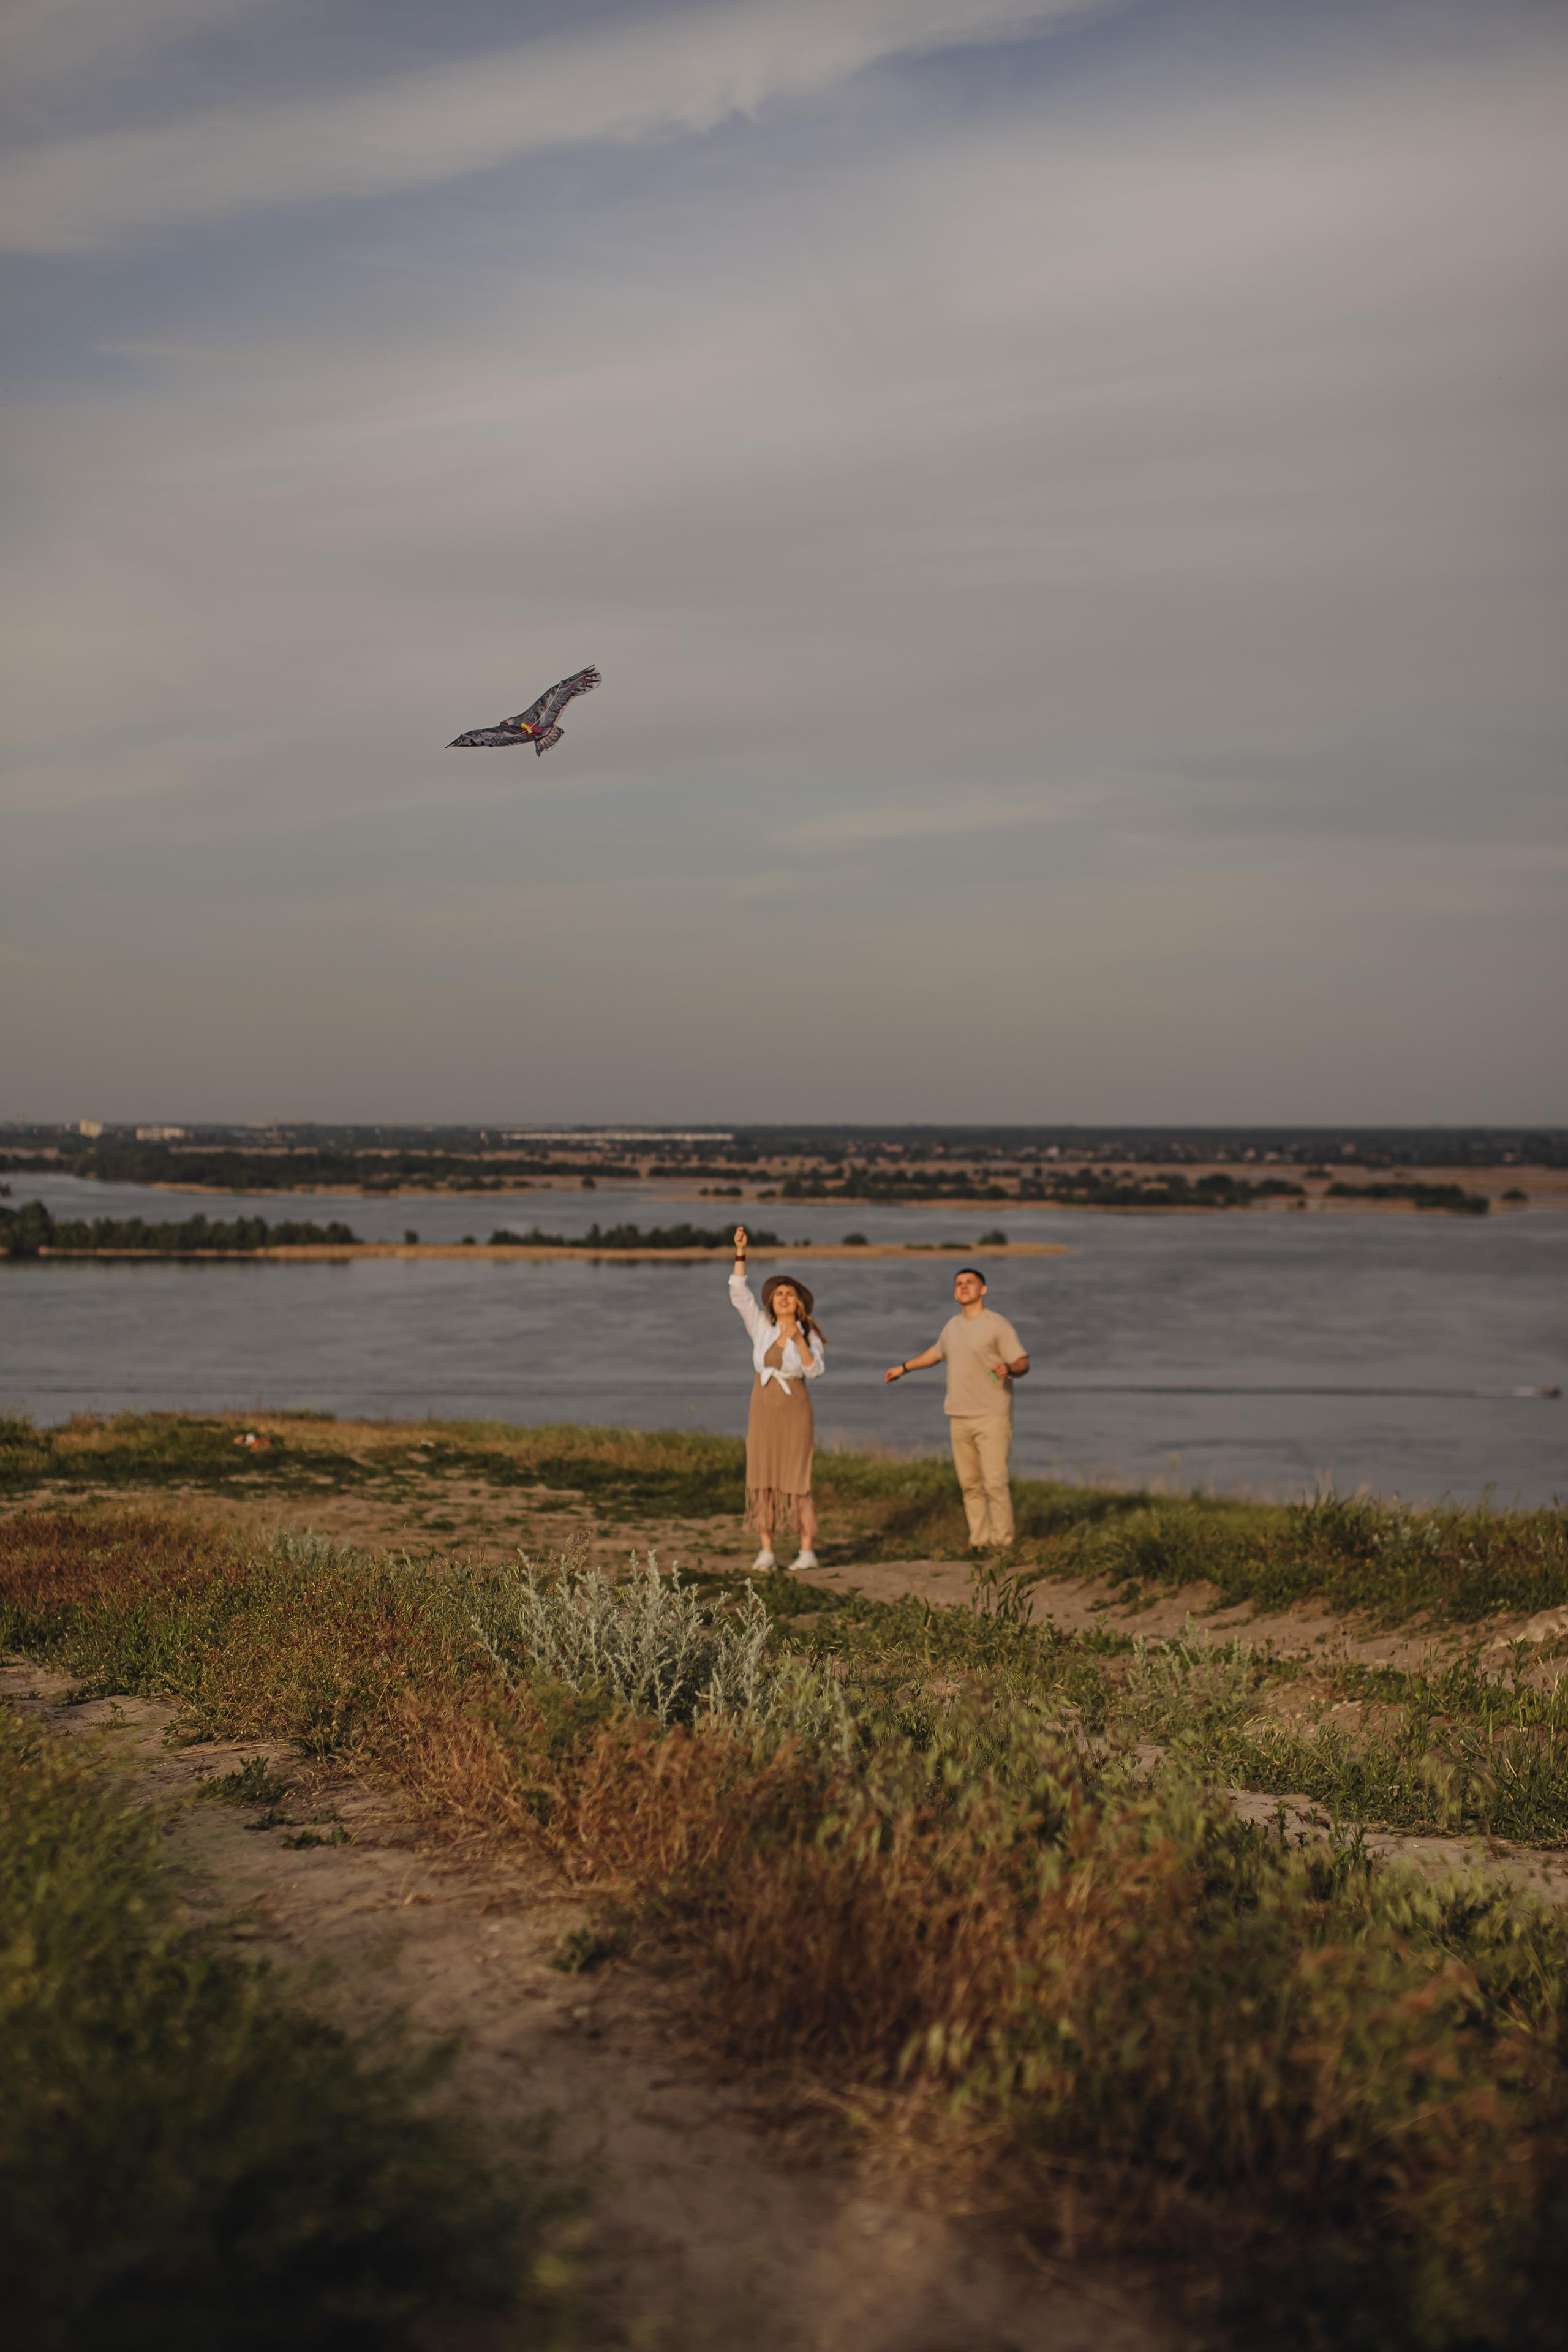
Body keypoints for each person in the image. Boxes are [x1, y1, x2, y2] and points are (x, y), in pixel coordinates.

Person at [884, 1266, 1028, 1550]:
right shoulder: (952, 1327)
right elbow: (935, 1354)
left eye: (970, 1283)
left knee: (995, 1483)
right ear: (954, 1292)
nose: (964, 1287)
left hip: (992, 1415)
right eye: (959, 1284)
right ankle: (979, 1542)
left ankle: (1004, 1544)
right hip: (958, 1415)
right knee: (970, 1485)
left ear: (983, 1290)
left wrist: (1009, 1368)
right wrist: (904, 1368)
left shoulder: (998, 1325)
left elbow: (1023, 1362)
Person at [728, 1224, 824, 1574]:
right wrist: (741, 1253)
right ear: (772, 1302)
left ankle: (807, 1550)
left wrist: (797, 1339)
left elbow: (815, 1371)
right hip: (763, 1408)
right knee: (762, 1475)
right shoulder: (761, 1328)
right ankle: (767, 1549)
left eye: (790, 1294)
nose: (784, 1297)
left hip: (794, 1409)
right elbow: (739, 1293)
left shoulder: (809, 1333)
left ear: (798, 1303)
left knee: (797, 1478)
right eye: (779, 1293)